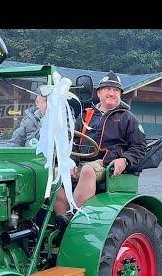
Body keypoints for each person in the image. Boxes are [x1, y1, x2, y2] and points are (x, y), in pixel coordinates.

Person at [54, 71, 146, 223]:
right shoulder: (86, 115)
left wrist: (125, 160)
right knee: (55, 174)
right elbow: (73, 142)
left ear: (120, 95)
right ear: (99, 93)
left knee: (88, 170)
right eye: (107, 89)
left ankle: (76, 219)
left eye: (116, 90)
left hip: (105, 163)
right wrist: (71, 162)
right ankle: (61, 221)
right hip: (81, 162)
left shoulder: (127, 117)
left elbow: (140, 146)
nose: (112, 93)